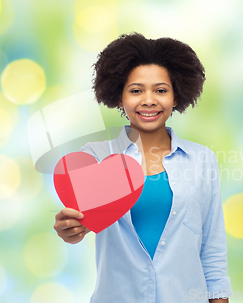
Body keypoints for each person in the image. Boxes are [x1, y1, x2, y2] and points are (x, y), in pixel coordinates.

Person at [54, 32, 231, 302]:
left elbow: (213, 251)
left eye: (161, 90)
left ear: (176, 96)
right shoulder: (96, 157)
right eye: (136, 90)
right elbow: (81, 223)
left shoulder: (201, 159)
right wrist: (70, 230)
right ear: (119, 96)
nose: (148, 100)